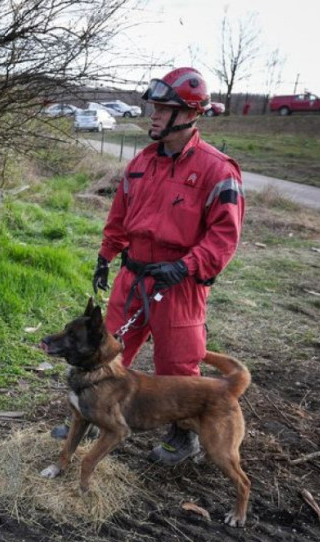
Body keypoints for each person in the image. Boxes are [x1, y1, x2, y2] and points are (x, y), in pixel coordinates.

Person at [91, 67, 246, 464]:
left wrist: (187, 266)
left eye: (163, 109)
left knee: (178, 365)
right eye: (155, 107)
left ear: (189, 113)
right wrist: (106, 256)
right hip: (134, 276)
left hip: (179, 284)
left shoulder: (217, 169)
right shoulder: (141, 162)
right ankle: (94, 415)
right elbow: (119, 216)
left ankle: (184, 437)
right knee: (107, 351)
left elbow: (224, 236)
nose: (154, 115)